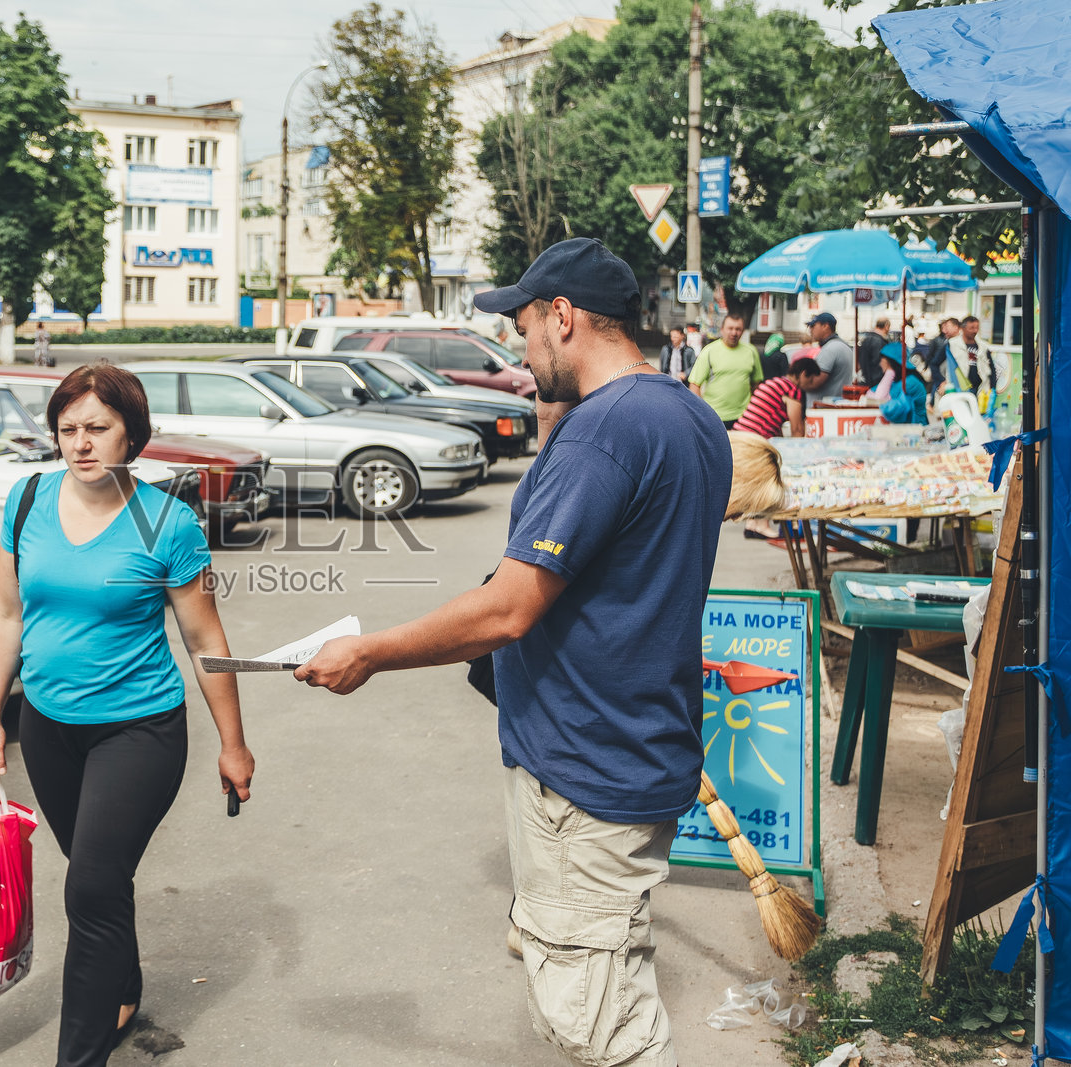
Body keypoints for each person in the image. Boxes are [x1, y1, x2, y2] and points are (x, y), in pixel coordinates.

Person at [296, 238, 730, 1067]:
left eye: (526, 325)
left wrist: (367, 652)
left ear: (563, 318)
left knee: (602, 1025)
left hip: (587, 765)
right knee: (606, 967)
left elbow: (509, 607)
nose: (522, 347)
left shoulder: (604, 432)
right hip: (638, 744)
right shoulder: (686, 415)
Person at [0, 362, 253, 1066]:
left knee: (91, 884)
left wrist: (234, 743)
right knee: (96, 875)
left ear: (132, 433)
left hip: (140, 730)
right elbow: (6, 613)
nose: (81, 443)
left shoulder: (168, 522)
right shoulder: (28, 497)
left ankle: (81, 1056)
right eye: (68, 429)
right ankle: (122, 985)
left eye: (98, 427)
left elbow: (205, 640)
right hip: (48, 727)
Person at [688, 312, 763, 428]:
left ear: (743, 331)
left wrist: (753, 412)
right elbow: (694, 385)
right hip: (714, 417)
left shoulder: (751, 351)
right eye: (730, 328)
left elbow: (756, 385)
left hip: (744, 417)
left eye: (738, 329)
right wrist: (702, 413)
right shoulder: (709, 351)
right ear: (722, 330)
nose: (734, 332)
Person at [732, 357, 829, 439]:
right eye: (811, 380)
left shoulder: (773, 382)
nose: (811, 385)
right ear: (803, 374)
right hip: (755, 440)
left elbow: (774, 424)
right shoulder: (791, 390)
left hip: (738, 434)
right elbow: (797, 430)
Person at [945, 315, 1008, 399]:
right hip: (959, 388)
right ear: (963, 329)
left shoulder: (983, 346)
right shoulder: (952, 344)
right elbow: (935, 362)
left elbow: (991, 368)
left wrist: (992, 388)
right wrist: (941, 381)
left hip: (980, 389)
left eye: (977, 328)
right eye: (971, 328)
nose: (975, 331)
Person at [804, 312, 854, 404]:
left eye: (813, 326)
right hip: (834, 407)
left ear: (825, 326)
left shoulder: (830, 349)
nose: (810, 330)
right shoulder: (842, 345)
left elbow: (814, 383)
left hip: (823, 410)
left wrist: (796, 381)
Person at [875, 352, 929, 425]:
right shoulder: (901, 381)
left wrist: (889, 372)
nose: (880, 364)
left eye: (882, 361)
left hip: (915, 427)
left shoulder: (909, 383)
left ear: (891, 363)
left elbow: (882, 399)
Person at [858, 316, 892, 383]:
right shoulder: (879, 342)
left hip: (866, 379)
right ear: (886, 326)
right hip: (877, 382)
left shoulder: (866, 339)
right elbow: (879, 364)